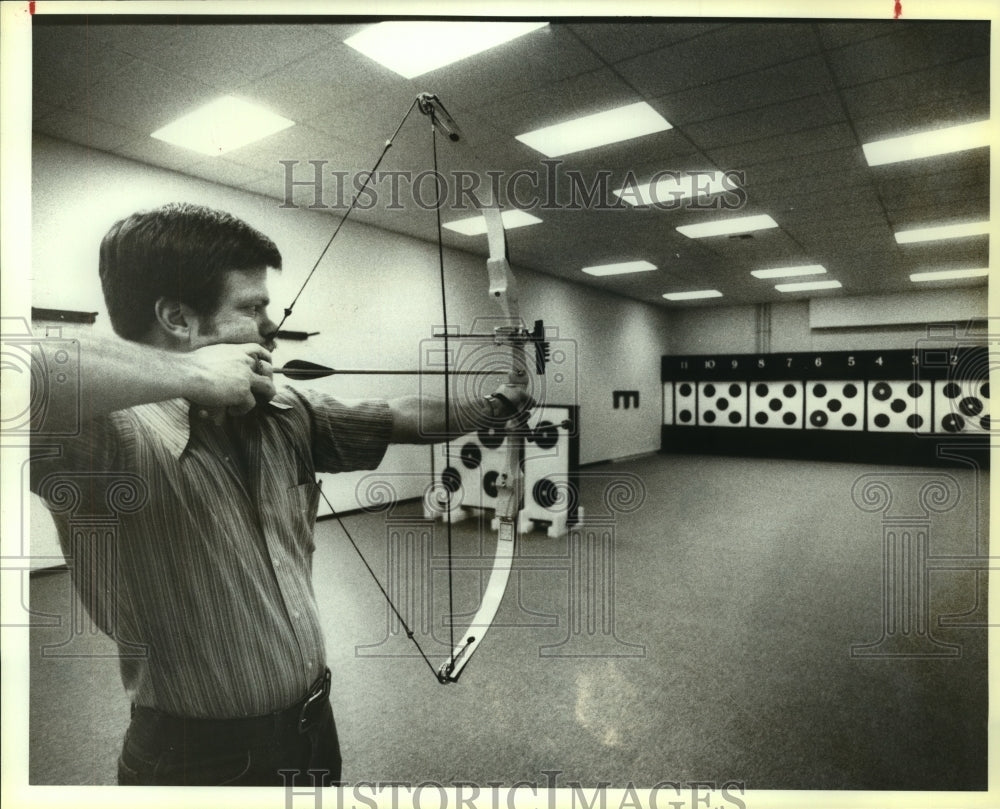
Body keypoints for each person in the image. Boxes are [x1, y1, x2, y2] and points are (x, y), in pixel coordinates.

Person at [29, 202, 529, 787]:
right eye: (252, 307)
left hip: (313, 725)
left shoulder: (283, 411)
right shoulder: (109, 440)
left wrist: (496, 406)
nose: (270, 324)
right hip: (196, 759)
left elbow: (399, 416)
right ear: (177, 317)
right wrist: (196, 377)